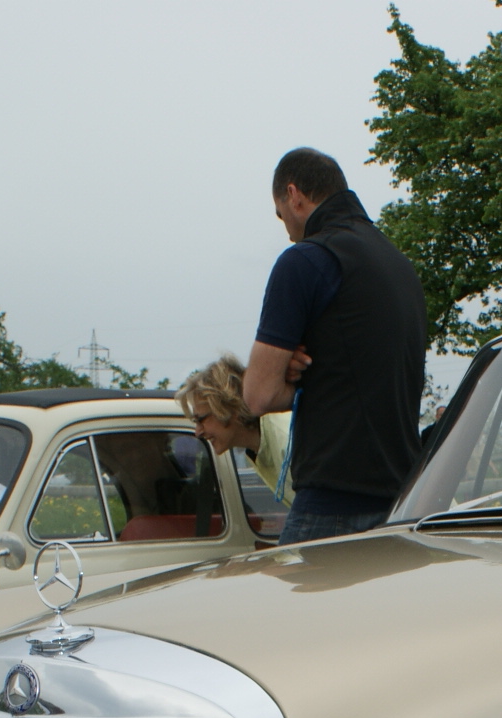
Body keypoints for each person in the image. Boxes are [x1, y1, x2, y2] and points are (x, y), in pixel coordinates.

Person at [241, 147, 425, 545]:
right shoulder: (399, 265)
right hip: (402, 499)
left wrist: (299, 377)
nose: (288, 231)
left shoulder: (305, 260)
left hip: (334, 500)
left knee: (292, 588)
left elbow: (257, 395)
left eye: (281, 215)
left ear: (294, 195)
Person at [177, 354, 293, 510]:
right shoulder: (257, 448)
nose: (198, 432)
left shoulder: (286, 439)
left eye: (201, 419)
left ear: (229, 406)